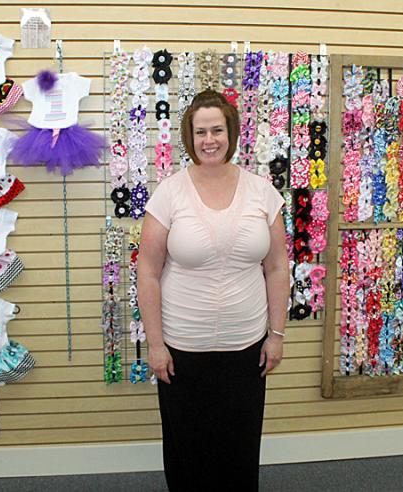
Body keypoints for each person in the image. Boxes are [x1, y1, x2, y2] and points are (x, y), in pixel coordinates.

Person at [137, 89, 290, 491]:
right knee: (188, 453)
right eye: (201, 131)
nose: (209, 140)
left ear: (231, 132)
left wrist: (276, 335)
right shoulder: (170, 192)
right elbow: (147, 272)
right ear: (190, 137)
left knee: (239, 451)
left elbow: (277, 268)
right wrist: (156, 345)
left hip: (246, 349)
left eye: (217, 130)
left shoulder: (261, 192)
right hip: (183, 351)